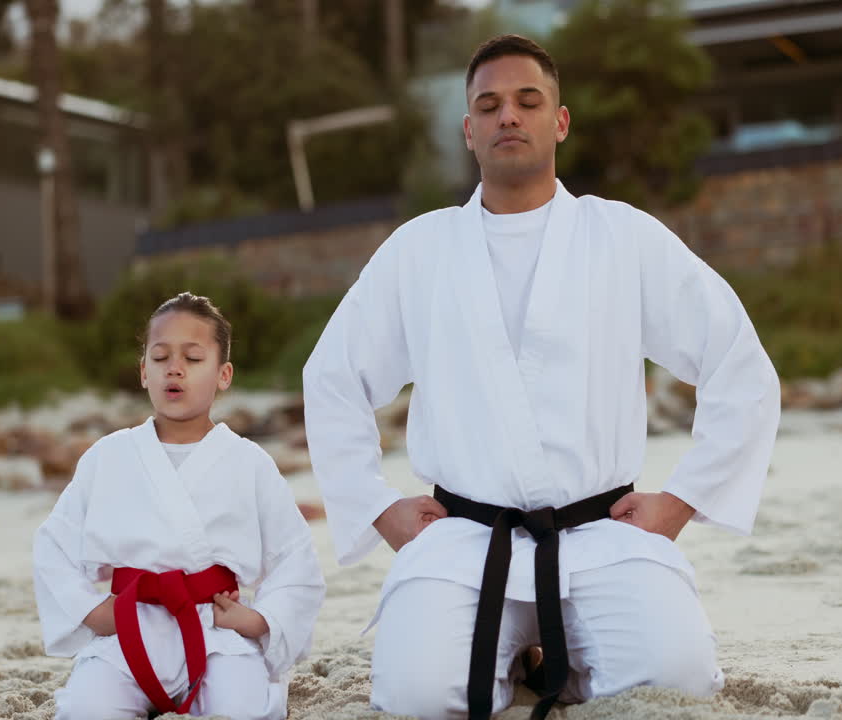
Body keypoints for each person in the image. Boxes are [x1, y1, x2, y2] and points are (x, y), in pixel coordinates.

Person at [302, 34, 781, 720]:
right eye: (489, 105)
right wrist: (378, 507)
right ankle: (520, 653)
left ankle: (545, 656)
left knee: (677, 677)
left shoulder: (622, 238)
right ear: (468, 130)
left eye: (528, 101)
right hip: (465, 539)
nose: (508, 117)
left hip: (599, 531)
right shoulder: (420, 250)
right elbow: (333, 377)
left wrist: (681, 501)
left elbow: (739, 362)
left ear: (559, 121)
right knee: (415, 695)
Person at [34, 292, 325, 720]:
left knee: (242, 711)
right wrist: (92, 612)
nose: (174, 368)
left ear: (223, 374)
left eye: (192, 358)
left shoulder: (248, 462)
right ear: (143, 373)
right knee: (85, 709)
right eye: (160, 357)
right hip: (129, 629)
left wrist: (258, 620)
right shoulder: (108, 456)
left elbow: (294, 557)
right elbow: (53, 546)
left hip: (215, 630)